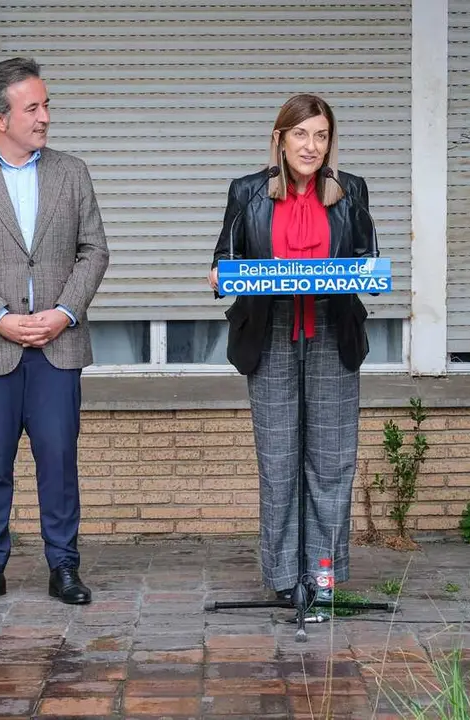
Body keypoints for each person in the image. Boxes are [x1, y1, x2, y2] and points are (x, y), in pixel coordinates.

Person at [0, 57, 109, 606]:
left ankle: (64, 567)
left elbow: (94, 250)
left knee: (59, 461)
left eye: (47, 104)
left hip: (57, 346)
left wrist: (64, 311)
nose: (45, 117)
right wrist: (0, 318)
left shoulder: (71, 171)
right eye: (33, 107)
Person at [208, 94, 377, 599]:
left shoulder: (352, 191)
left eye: (321, 135)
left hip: (331, 332)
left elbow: (369, 259)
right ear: (279, 139)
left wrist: (366, 272)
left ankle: (323, 576)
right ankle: (284, 579)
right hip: (271, 333)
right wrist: (219, 273)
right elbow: (225, 257)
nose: (311, 146)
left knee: (331, 461)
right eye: (301, 134)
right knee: (279, 462)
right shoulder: (247, 192)